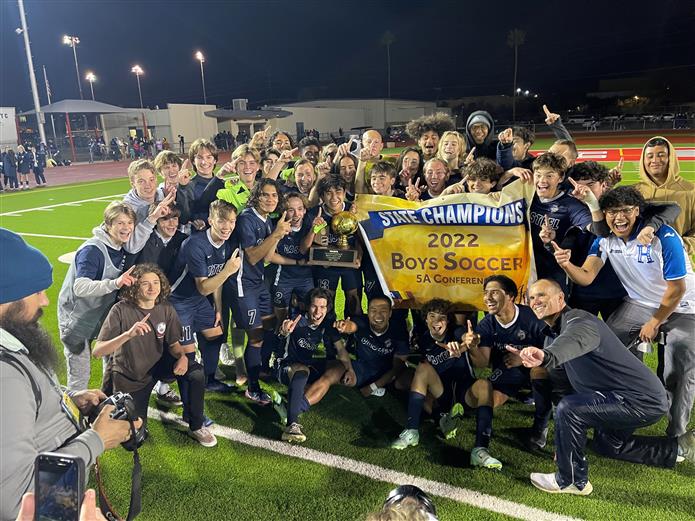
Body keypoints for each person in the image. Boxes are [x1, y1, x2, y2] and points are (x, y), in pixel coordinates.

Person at [0, 228, 138, 520]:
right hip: (50, 507)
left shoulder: (10, 347)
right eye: (36, 291)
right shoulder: (4, 377)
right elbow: (20, 505)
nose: (45, 301)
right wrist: (96, 439)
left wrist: (67, 396)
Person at [514, 279, 695, 495]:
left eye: (542, 295)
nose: (535, 301)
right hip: (627, 398)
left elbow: (574, 340)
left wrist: (546, 356)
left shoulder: (580, 321)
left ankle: (572, 480)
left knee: (569, 408)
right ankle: (680, 447)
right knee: (608, 444)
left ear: (560, 298)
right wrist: (565, 443)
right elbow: (563, 386)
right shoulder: (554, 333)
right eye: (531, 297)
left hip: (639, 400)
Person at [553, 186, 695, 437]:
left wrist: (654, 322)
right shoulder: (604, 239)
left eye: (626, 211)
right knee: (601, 346)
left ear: (637, 211)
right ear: (604, 214)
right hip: (640, 302)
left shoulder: (664, 235)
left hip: (685, 305)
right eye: (612, 212)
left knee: (680, 359)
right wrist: (566, 265)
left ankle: (677, 435)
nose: (619, 217)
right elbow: (586, 276)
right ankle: (619, 411)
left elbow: (677, 289)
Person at [93, 264, 216, 446]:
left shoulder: (165, 308)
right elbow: (97, 351)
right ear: (135, 286)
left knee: (196, 372)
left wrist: (182, 357)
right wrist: (128, 335)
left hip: (157, 367)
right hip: (131, 376)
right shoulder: (120, 310)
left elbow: (174, 344)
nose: (152, 288)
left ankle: (196, 425)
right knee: (134, 441)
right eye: (145, 284)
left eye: (156, 282)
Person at [57, 202, 141, 391]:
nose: (126, 227)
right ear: (108, 224)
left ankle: (106, 410)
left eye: (129, 223)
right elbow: (80, 287)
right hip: (76, 320)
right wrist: (115, 283)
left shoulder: (119, 246)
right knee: (80, 376)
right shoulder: (92, 250)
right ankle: (77, 418)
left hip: (99, 316)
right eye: (120, 223)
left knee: (111, 365)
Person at [463, 275, 552, 450]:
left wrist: (524, 357)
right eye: (486, 293)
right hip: (509, 368)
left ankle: (540, 428)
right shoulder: (487, 323)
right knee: (485, 401)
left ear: (510, 296)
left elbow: (553, 350)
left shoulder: (532, 318)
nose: (487, 298)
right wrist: (472, 347)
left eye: (494, 292)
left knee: (539, 373)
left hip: (537, 364)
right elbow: (482, 363)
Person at [169, 200, 241, 393]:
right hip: (178, 300)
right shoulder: (195, 245)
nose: (227, 227)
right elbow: (203, 287)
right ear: (210, 220)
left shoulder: (225, 243)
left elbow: (214, 280)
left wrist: (217, 308)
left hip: (198, 300)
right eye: (222, 221)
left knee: (216, 334)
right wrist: (228, 271)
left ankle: (209, 380)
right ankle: (182, 394)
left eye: (232, 221)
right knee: (186, 355)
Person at [231, 179, 291, 404]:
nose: (271, 199)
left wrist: (277, 236)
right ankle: (252, 387)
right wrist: (275, 235)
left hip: (258, 282)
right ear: (256, 196)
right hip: (242, 285)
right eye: (265, 195)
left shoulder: (265, 219)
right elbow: (253, 256)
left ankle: (260, 368)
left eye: (274, 195)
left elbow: (266, 257)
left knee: (268, 327)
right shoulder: (247, 219)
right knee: (255, 337)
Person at [275, 288, 344, 443]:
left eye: (322, 307)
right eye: (314, 306)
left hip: (310, 366)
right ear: (308, 306)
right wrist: (284, 330)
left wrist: (351, 369)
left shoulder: (326, 324)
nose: (318, 311)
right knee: (303, 371)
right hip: (286, 367)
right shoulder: (297, 319)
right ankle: (292, 424)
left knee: (339, 367)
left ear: (328, 309)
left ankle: (291, 407)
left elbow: (341, 350)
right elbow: (283, 331)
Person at [633, 136, 695, 256]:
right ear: (643, 160)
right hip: (640, 265)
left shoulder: (691, 190)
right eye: (650, 156)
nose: (655, 160)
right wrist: (608, 185)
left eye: (661, 155)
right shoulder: (634, 191)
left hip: (679, 263)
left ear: (670, 158)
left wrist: (680, 246)